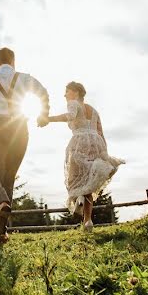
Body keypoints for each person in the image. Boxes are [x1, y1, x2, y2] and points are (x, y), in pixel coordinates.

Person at [0, 47, 50, 243]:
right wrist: (43, 114)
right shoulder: (24, 77)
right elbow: (43, 93)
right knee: (8, 179)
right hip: (20, 130)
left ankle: (1, 203)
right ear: (13, 61)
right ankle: (2, 233)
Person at [46, 81, 124, 232]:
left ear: (75, 92)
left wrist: (49, 119)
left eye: (67, 91)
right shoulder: (94, 110)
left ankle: (78, 203)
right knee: (89, 181)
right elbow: (100, 131)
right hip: (96, 142)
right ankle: (87, 221)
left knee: (73, 178)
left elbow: (70, 116)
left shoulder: (73, 103)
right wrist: (104, 152)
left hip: (80, 141)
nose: (65, 95)